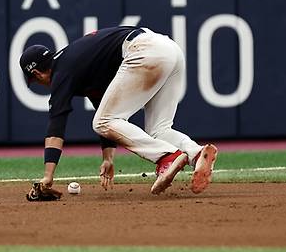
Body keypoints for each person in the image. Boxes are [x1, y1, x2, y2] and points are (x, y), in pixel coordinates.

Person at [20, 26, 218, 197]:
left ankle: (167, 157)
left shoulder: (62, 72)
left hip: (143, 50)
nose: (41, 84)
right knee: (159, 129)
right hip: (170, 49)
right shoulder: (75, 64)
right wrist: (108, 158)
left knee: (101, 122)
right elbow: (103, 106)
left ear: (36, 73)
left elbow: (56, 125)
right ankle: (197, 154)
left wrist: (48, 175)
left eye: (36, 80)